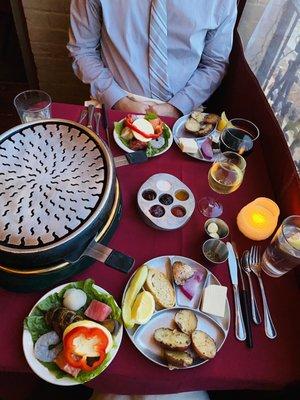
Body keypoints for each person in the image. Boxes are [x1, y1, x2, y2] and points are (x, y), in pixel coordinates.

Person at [67, 0, 237, 118]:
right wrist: (119, 101)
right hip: (114, 103)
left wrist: (177, 107)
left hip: (183, 113)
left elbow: (214, 64)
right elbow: (83, 50)